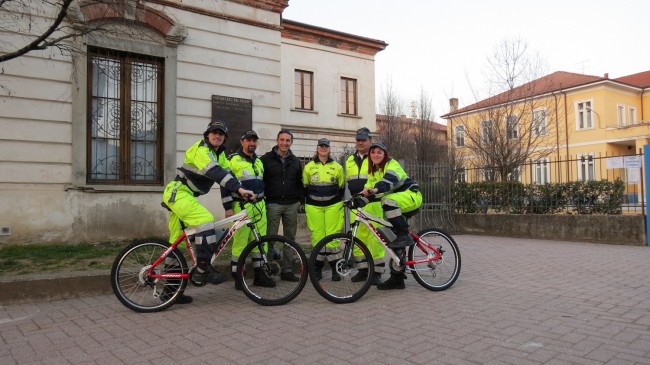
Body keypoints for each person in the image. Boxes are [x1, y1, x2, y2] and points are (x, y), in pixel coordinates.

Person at [162, 120, 254, 303]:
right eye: (214, 132)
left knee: (176, 244)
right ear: (207, 134)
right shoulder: (201, 150)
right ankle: (204, 269)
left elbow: (229, 176)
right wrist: (240, 190)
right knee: (206, 219)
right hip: (178, 193)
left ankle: (170, 293)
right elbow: (217, 174)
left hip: (184, 196)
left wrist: (243, 191)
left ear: (224, 137)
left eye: (221, 133)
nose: (217, 136)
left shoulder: (219, 155)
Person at [361, 141, 422, 290]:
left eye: (379, 152)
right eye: (373, 152)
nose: (375, 155)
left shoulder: (392, 165)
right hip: (397, 202)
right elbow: (370, 192)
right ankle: (397, 278)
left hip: (411, 196)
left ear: (385, 154)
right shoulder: (374, 172)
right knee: (395, 241)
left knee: (387, 201)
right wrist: (358, 199)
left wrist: (375, 190)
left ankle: (404, 234)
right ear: (369, 155)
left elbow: (387, 183)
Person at [225, 130, 275, 289]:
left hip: (259, 205)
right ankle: (238, 277)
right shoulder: (232, 160)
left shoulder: (259, 161)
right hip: (241, 206)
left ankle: (260, 275)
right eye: (248, 140)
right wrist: (227, 208)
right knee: (240, 242)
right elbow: (224, 185)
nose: (252, 143)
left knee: (260, 241)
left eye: (254, 140)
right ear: (242, 142)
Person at [261, 129, 304, 282]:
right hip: (273, 204)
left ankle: (287, 270)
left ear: (291, 142)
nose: (285, 143)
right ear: (277, 141)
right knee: (269, 238)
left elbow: (300, 182)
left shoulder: (296, 161)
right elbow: (262, 180)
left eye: (288, 140)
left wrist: (300, 200)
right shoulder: (266, 159)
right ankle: (269, 269)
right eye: (282, 140)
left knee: (290, 239)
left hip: (292, 204)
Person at [345, 127, 384, 285]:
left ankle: (377, 272)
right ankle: (362, 270)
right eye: (358, 140)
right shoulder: (349, 160)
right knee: (358, 237)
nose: (360, 142)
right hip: (357, 204)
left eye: (364, 140)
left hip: (373, 203)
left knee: (375, 237)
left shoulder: (375, 157)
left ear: (370, 141)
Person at [303, 138, 345, 280]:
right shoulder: (308, 167)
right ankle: (317, 268)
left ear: (329, 149)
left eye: (326, 146)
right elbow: (305, 186)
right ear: (317, 148)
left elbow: (342, 187)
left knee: (333, 237)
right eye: (321, 146)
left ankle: (335, 268)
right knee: (318, 237)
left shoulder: (337, 167)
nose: (323, 148)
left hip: (333, 205)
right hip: (314, 207)